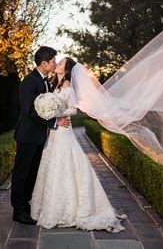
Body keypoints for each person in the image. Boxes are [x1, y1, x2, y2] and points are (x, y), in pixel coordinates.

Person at [30, 57, 126, 232]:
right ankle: (51, 205)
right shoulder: (56, 86)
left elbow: (74, 109)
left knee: (65, 164)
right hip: (54, 132)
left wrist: (56, 113)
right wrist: (50, 114)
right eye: (56, 62)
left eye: (60, 64)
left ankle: (69, 209)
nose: (57, 64)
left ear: (66, 70)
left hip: (64, 129)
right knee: (53, 164)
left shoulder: (67, 86)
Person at [11, 46, 70, 225]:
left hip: (38, 136)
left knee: (32, 173)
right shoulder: (29, 81)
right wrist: (54, 123)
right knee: (21, 174)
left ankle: (26, 205)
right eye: (53, 61)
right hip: (27, 135)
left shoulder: (45, 81)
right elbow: (29, 111)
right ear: (44, 63)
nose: (54, 64)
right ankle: (18, 211)